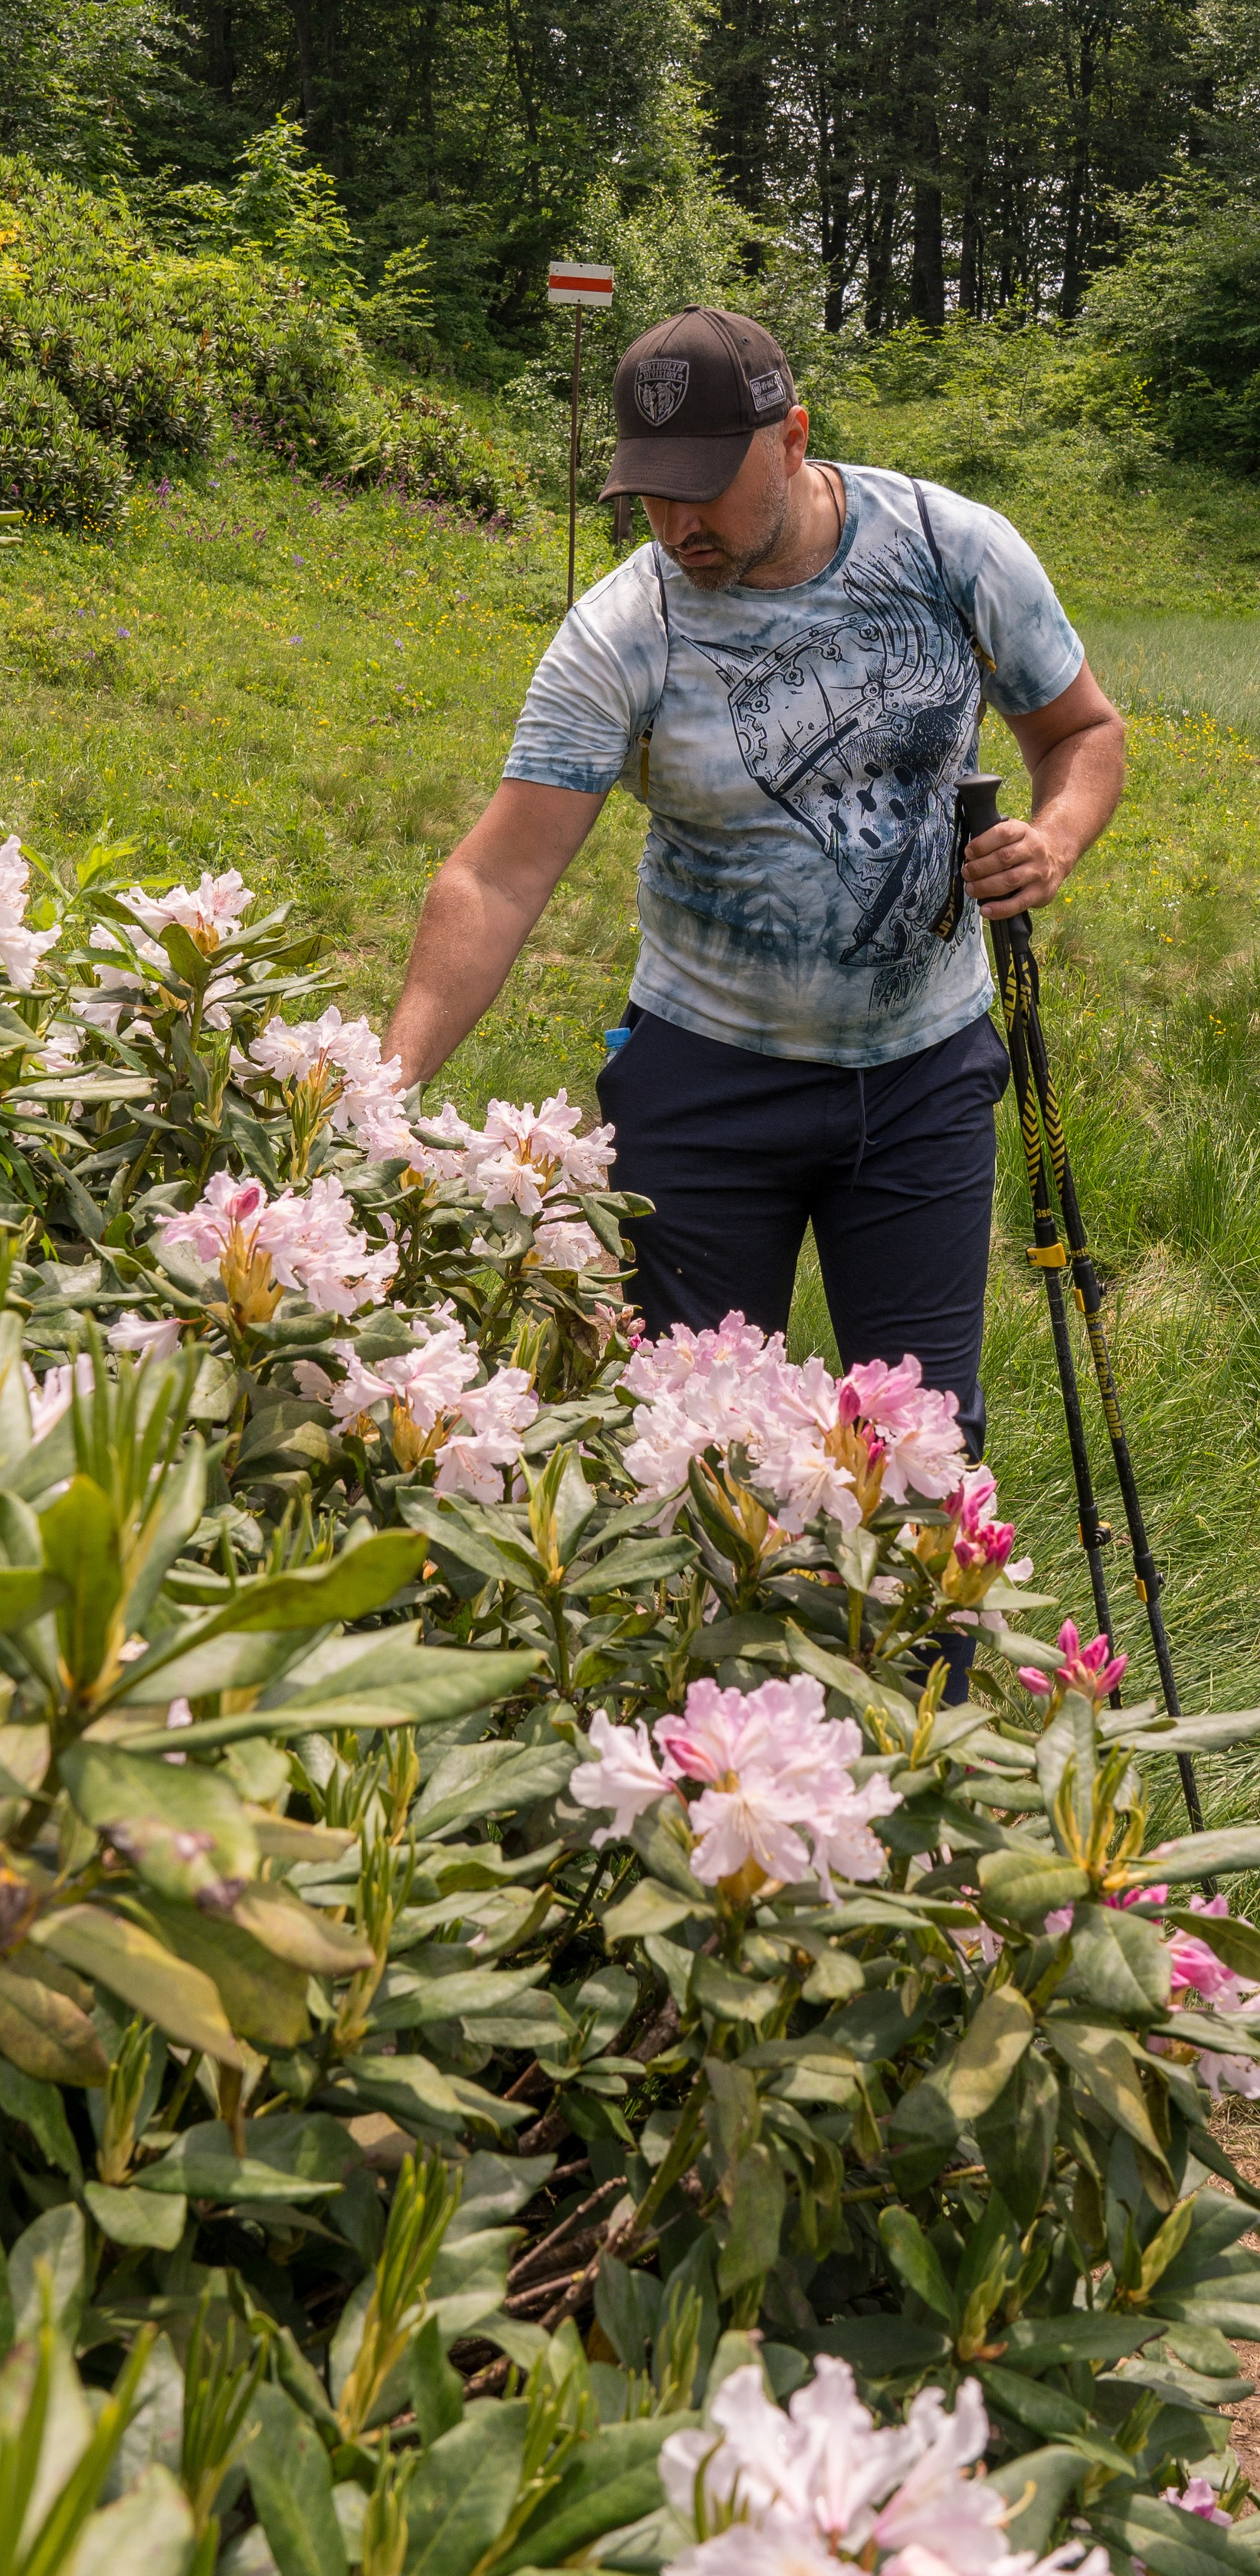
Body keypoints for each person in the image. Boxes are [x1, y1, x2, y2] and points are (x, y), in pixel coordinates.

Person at [385, 306, 1123, 1674]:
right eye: (648, 490)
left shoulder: (952, 551)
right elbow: (495, 879)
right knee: (699, 1467)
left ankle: (913, 1786)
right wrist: (381, 1099)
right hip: (704, 1085)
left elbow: (1081, 732)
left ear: (793, 438)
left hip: (924, 1078)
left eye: (704, 481)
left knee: (917, 1468)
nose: (675, 522)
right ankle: (720, 1771)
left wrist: (1054, 836)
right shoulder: (624, 629)